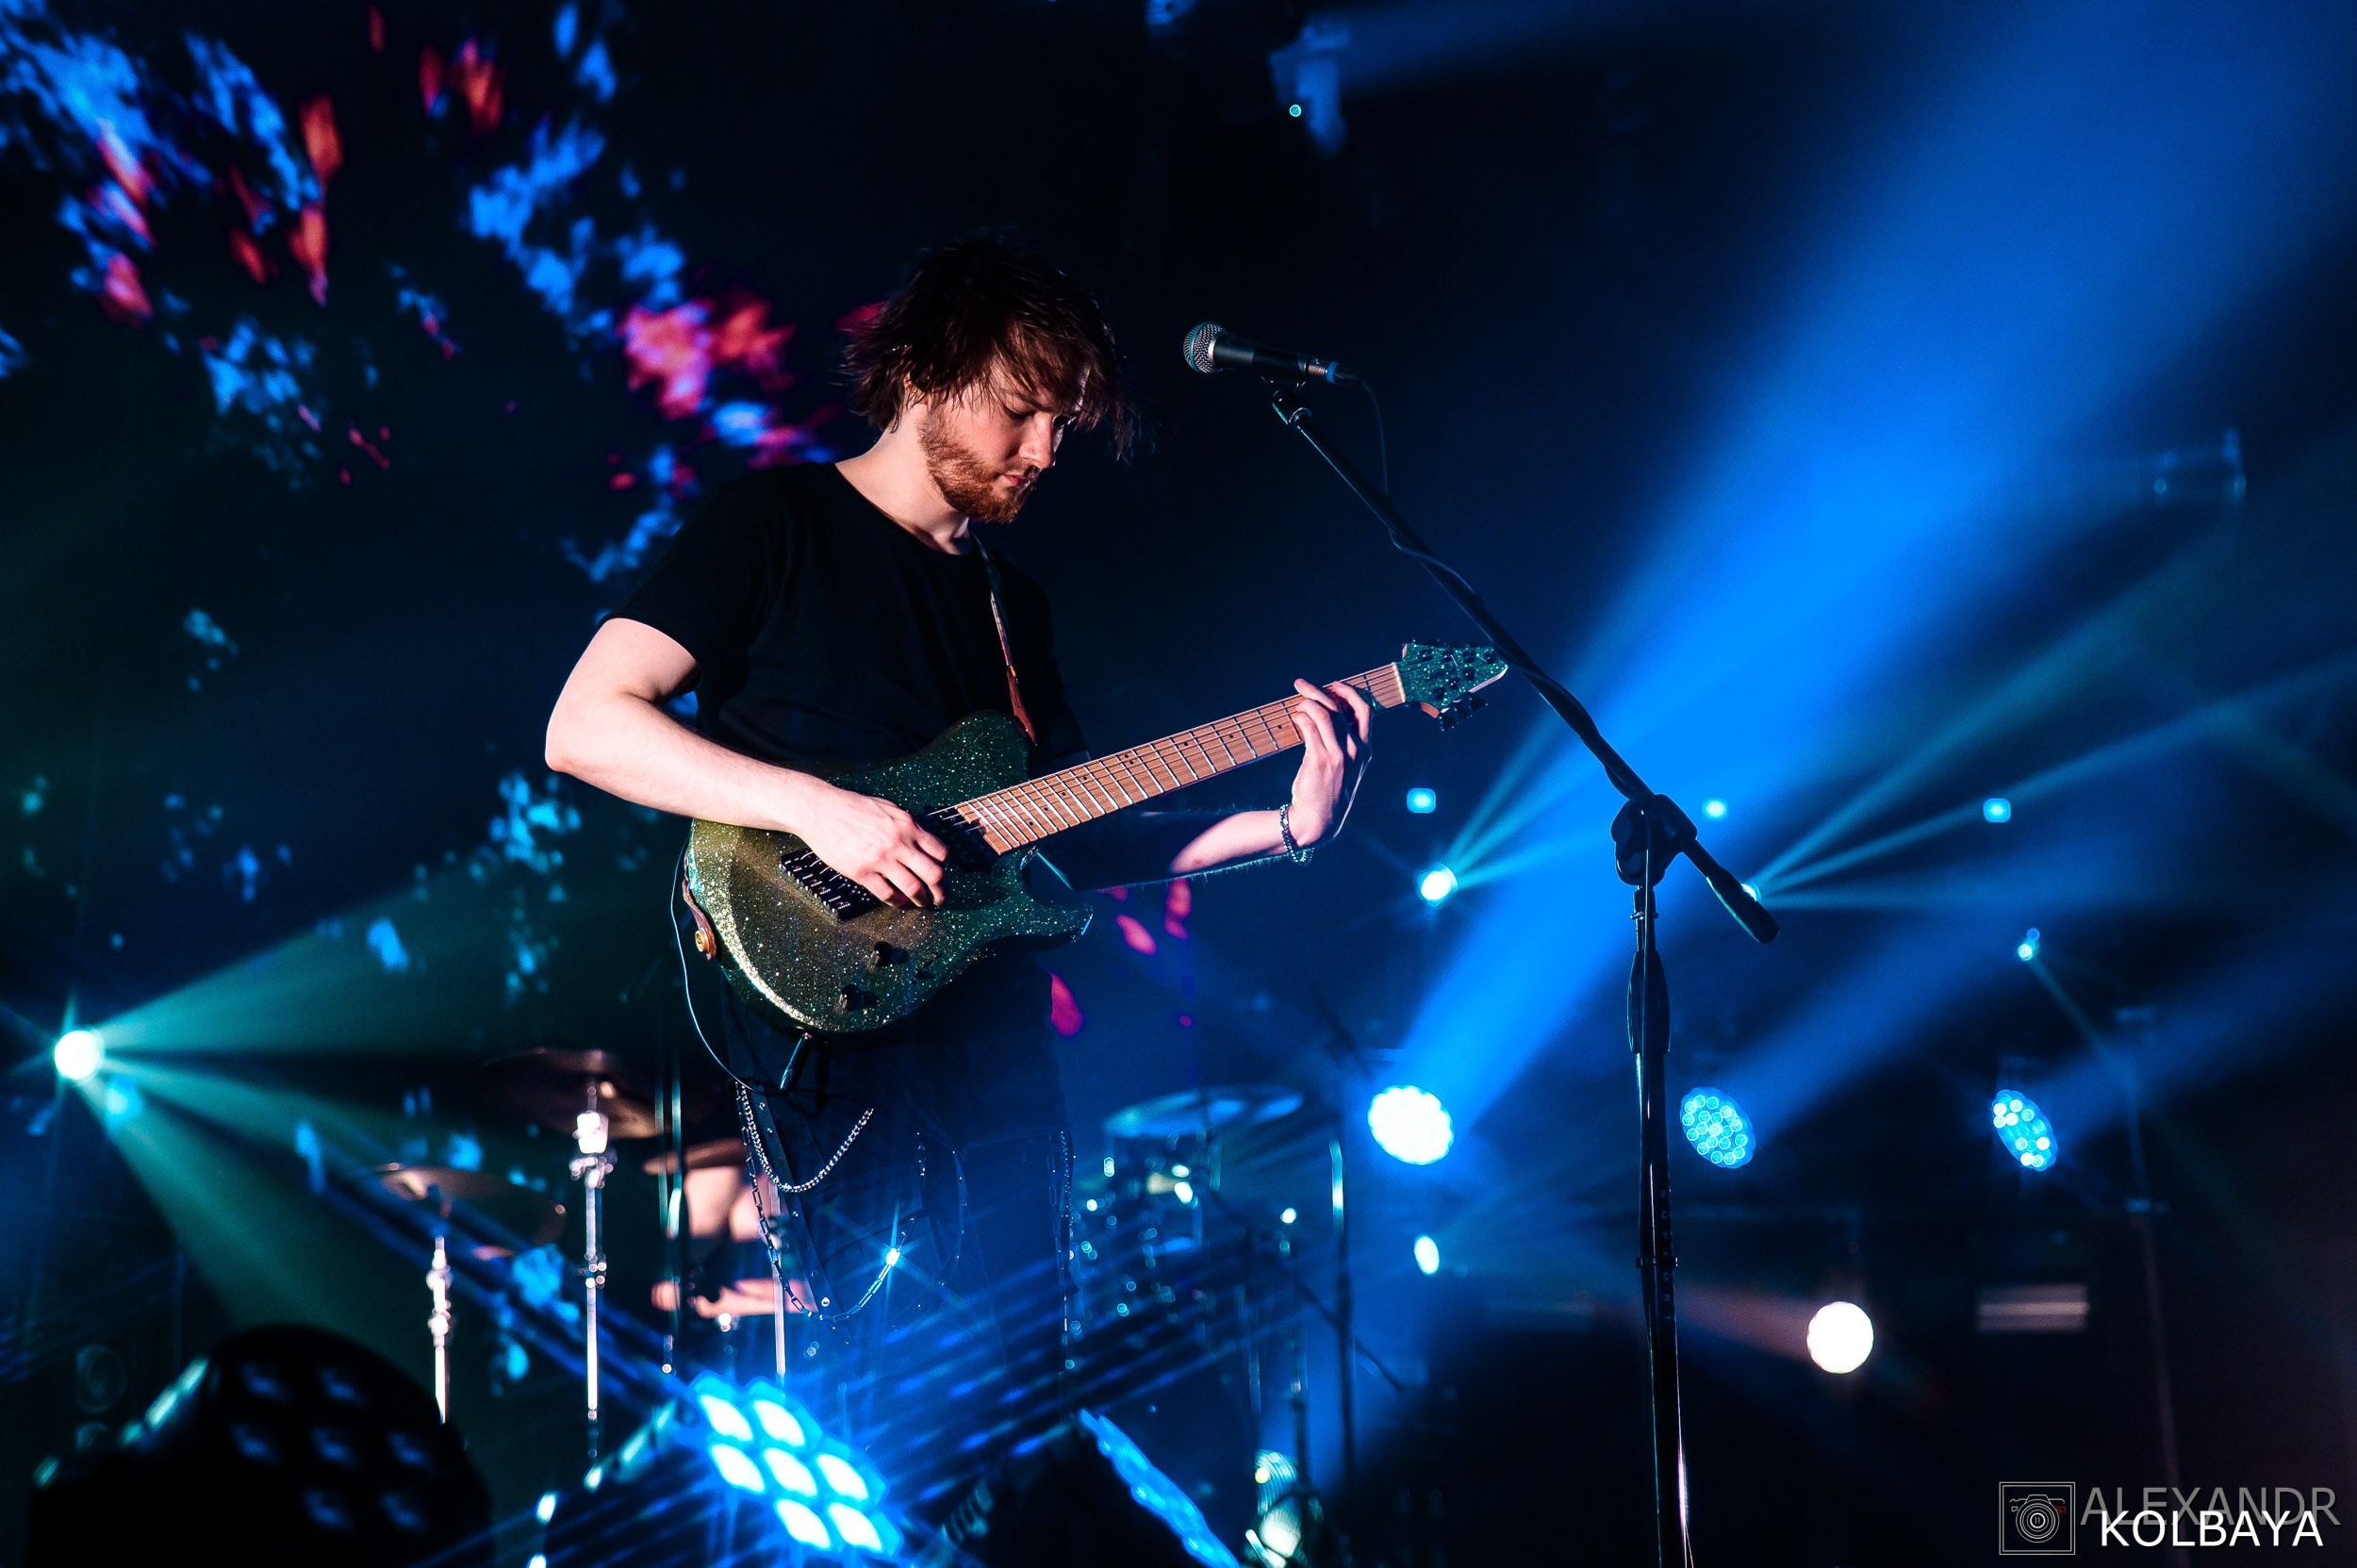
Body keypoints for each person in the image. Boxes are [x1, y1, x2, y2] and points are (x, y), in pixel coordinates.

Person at [543, 237, 1370, 1510]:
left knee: (1018, 1421)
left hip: (998, 1052)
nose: (1046, 452)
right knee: (883, 1415)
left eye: (1065, 426)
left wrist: (1287, 824)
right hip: (837, 1040)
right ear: (927, 370)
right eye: (1023, 410)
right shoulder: (772, 525)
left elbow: (1072, 839)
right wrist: (817, 809)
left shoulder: (1010, 608)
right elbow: (587, 724)